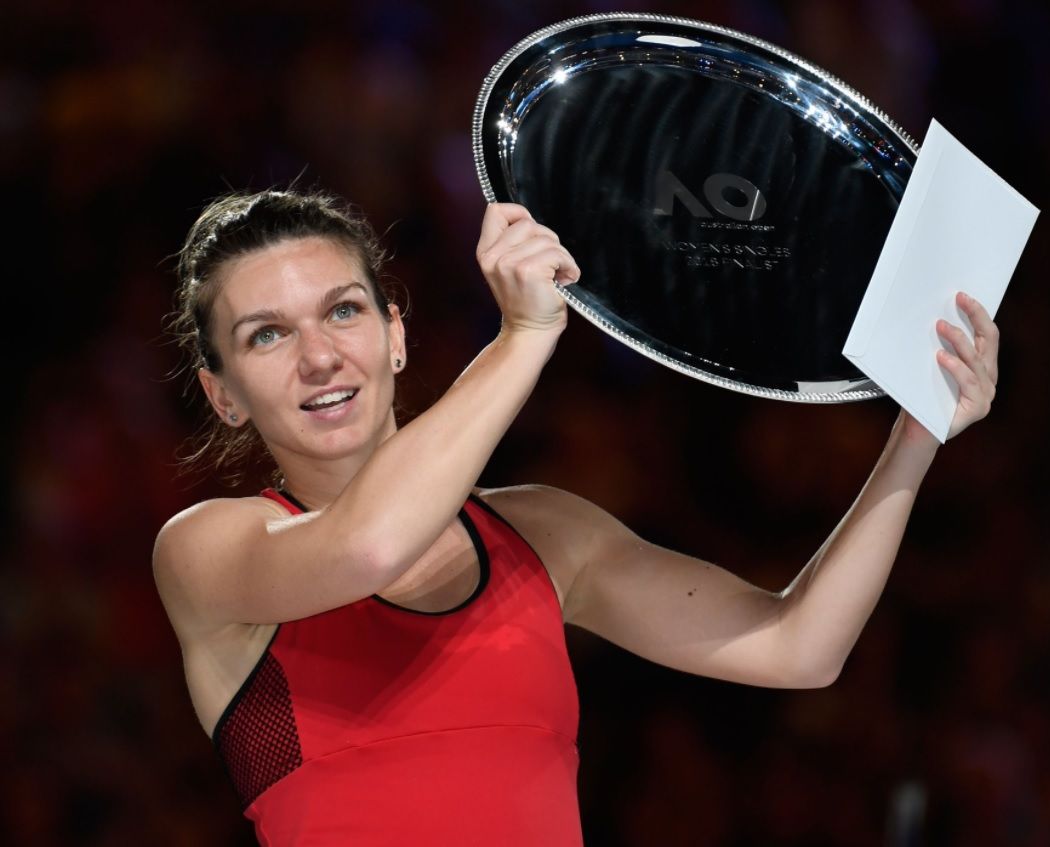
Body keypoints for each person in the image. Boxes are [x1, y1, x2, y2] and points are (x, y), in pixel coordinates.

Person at [153, 188, 999, 846]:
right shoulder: (205, 551)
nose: (319, 356)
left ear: (395, 334)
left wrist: (915, 435)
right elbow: (369, 545)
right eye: (267, 335)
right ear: (223, 396)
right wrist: (521, 337)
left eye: (343, 310)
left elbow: (798, 645)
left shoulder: (545, 534)